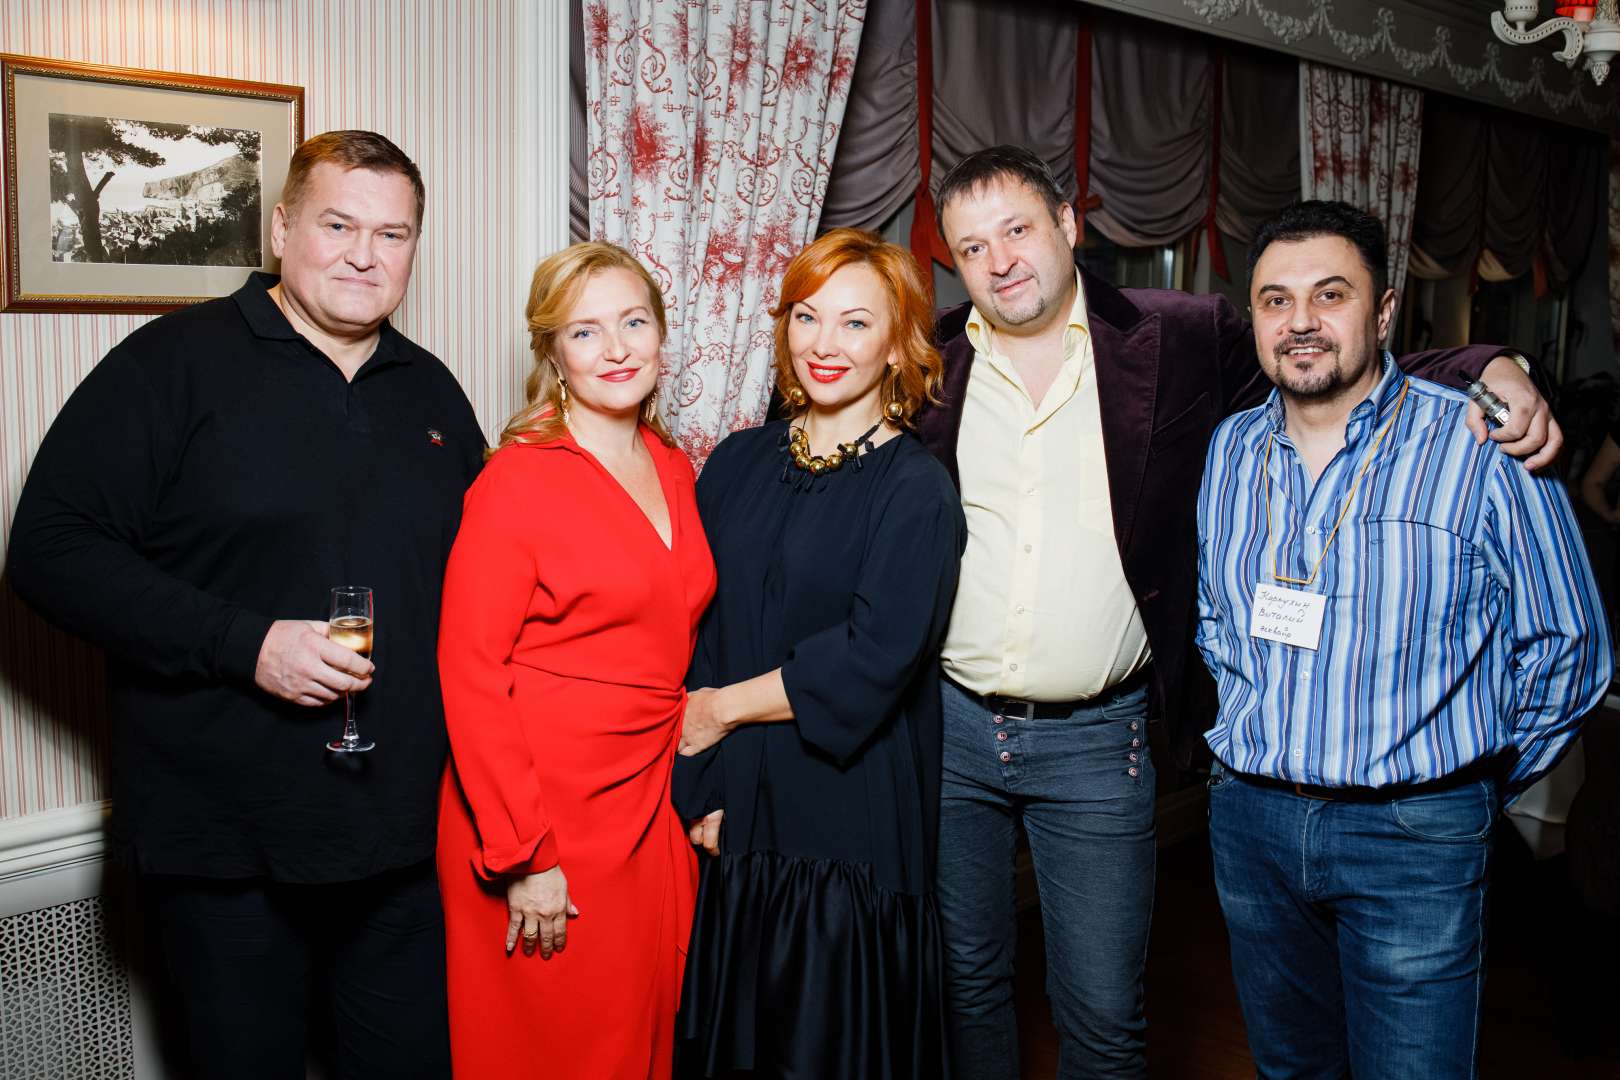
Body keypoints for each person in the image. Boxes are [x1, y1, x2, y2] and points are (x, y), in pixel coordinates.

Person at [912, 146, 1562, 1079]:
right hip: (951, 733)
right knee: (966, 983)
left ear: (1067, 224)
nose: (1000, 260)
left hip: (1098, 740)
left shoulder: (1179, 334)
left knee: (1101, 1012)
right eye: (973, 246)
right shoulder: (927, 360)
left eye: (1017, 230)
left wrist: (1491, 362)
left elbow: (1331, 361)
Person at [6, 131, 483, 1077]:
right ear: (281, 228)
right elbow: (49, 551)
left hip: (398, 841)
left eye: (392, 234)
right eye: (338, 225)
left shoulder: (431, 391)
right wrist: (245, 642)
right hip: (226, 845)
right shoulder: (171, 365)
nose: (364, 255)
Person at [1195, 199, 1610, 1079]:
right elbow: (1214, 616)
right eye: (1275, 300)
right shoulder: (1229, 448)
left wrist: (1471, 786)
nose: (1300, 322)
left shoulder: (1479, 443)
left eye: (1330, 294)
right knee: (1289, 1069)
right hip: (1252, 826)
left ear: (1383, 312)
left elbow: (1570, 645)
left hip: (1413, 833)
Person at [671, 228, 966, 1079]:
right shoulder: (737, 461)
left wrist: (720, 713)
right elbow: (702, 630)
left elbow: (873, 658)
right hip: (739, 807)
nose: (824, 343)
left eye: (855, 322)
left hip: (849, 817)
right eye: (807, 316)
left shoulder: (916, 489)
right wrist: (703, 789)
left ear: (898, 345)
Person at [435, 241, 715, 1079]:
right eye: (586, 332)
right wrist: (525, 854)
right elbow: (471, 674)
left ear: (661, 334)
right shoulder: (516, 482)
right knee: (556, 1051)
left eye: (634, 322)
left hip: (647, 804)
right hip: (540, 813)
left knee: (639, 1037)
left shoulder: (673, 467)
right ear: (553, 352)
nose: (617, 349)